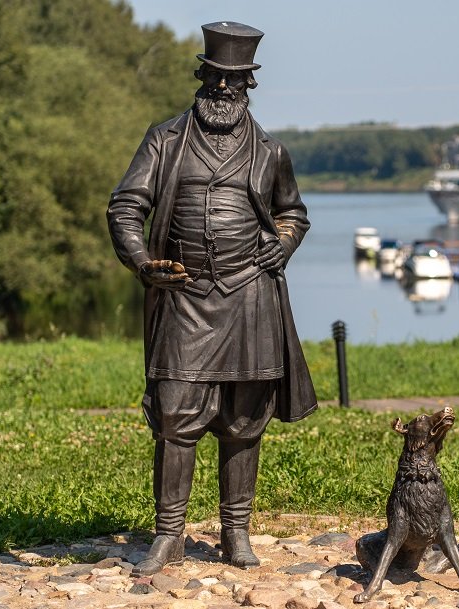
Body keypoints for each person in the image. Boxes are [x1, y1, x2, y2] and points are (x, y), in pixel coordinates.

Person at [106, 21, 317, 576]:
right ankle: (169, 535)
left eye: (235, 79)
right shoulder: (164, 140)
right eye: (215, 77)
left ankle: (236, 532)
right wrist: (144, 263)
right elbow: (126, 207)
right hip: (185, 293)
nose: (223, 88)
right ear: (201, 75)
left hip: (249, 294)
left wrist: (281, 245)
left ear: (249, 84)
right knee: (175, 412)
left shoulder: (270, 151)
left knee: (245, 419)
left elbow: (293, 214)